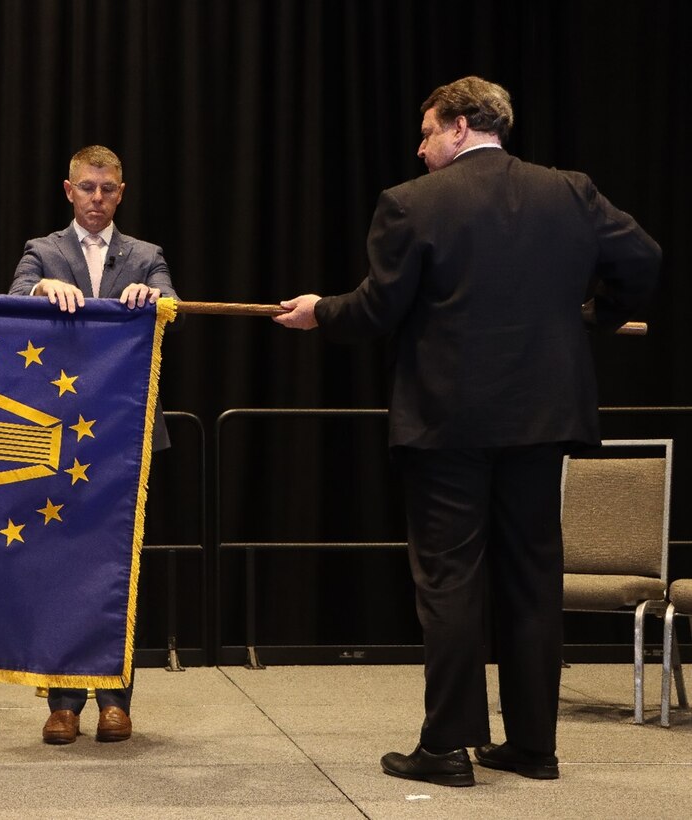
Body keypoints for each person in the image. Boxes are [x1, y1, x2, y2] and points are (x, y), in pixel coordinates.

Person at [274, 77, 660, 787]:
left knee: (450, 581)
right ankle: (533, 748)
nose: (419, 150)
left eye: (425, 133)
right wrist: (602, 315)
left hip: (447, 421)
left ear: (456, 124)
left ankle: (446, 748)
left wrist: (319, 312)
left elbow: (378, 309)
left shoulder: (410, 203)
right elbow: (643, 258)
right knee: (532, 580)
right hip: (543, 418)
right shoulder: (570, 191)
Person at [9, 144, 179, 744]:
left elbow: (173, 301)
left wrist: (155, 299)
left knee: (120, 570)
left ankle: (115, 698)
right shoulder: (43, 250)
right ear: (68, 189)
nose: (97, 199)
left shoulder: (147, 255)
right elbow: (15, 296)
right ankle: (62, 704)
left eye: (108, 189)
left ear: (121, 193)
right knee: (59, 565)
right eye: (87, 188)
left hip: (125, 439)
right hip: (56, 437)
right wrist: (41, 291)